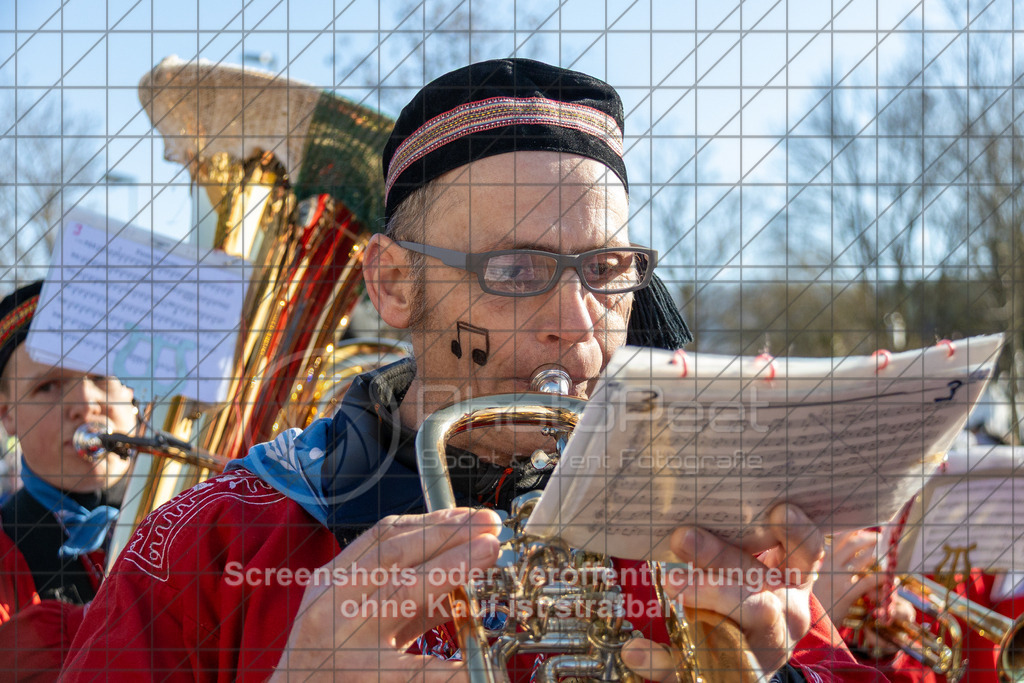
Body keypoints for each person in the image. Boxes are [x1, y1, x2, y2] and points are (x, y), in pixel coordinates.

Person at [62, 59, 884, 681]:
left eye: (605, 269)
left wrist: (779, 668)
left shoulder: (704, 533)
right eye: (516, 271)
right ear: (390, 281)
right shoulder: (214, 535)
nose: (576, 323)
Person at [0, 280, 137, 677]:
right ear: (7, 414)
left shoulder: (210, 515)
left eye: (100, 376)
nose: (83, 404)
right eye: (48, 386)